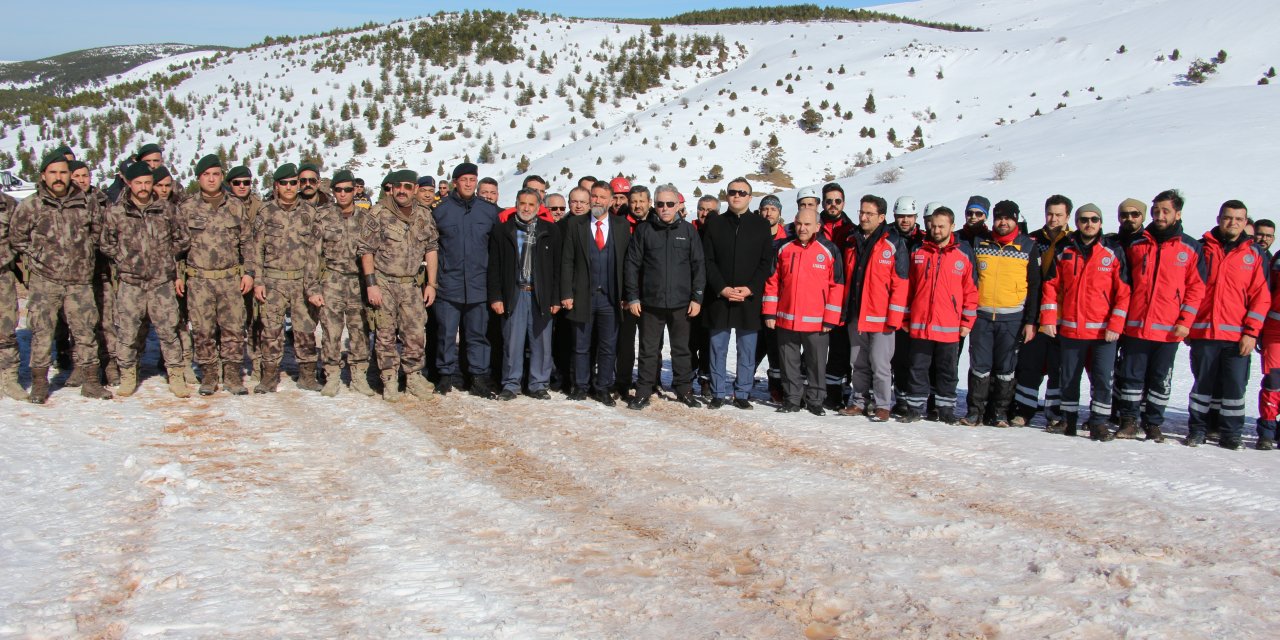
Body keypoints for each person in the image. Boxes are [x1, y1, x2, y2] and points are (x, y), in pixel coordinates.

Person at [9, 151, 113, 402]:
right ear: (43, 176)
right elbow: (17, 238)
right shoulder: (31, 205)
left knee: (86, 331)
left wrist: (87, 253)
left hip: (79, 281)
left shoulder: (85, 203)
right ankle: (40, 384)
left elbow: (100, 233)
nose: (58, 177)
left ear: (69, 176)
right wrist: (39, 256)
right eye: (53, 172)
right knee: (42, 332)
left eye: (63, 172)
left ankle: (91, 382)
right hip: (46, 282)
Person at [1114, 189, 1206, 442]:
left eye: (1165, 211)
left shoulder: (1190, 247)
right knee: (1131, 378)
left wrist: (1185, 321)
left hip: (1168, 328)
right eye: (1156, 211)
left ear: (1178, 213)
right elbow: (1124, 284)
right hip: (1136, 325)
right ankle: (1129, 421)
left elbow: (1196, 288)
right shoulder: (1137, 244)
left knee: (1159, 379)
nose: (1160, 215)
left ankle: (1153, 423)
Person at [100, 153, 191, 398]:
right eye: (138, 182)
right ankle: (128, 375)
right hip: (131, 282)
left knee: (169, 331)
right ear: (129, 183)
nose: (143, 187)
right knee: (128, 331)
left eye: (147, 182)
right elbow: (106, 243)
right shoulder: (116, 212)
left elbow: (182, 239)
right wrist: (123, 258)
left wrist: (164, 256)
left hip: (161, 282)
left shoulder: (167, 209)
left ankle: (176, 375)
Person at [1039, 204, 1130, 440]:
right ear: (1076, 222)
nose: (1089, 224)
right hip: (1071, 330)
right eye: (1084, 219)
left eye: (1094, 219)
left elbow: (1123, 292)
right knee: (1069, 378)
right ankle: (1068, 421)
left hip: (1103, 334)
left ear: (1101, 222)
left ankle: (1099, 423)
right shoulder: (1064, 250)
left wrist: (1116, 325)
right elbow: (1050, 287)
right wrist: (1049, 318)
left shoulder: (1112, 251)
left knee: (1102, 379)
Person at [1184, 200, 1269, 449]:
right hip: (1204, 332)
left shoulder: (1254, 255)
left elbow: (1260, 297)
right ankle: (1197, 429)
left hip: (1237, 336)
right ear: (1220, 218)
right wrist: (1188, 324)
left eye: (1238, 219)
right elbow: (1191, 289)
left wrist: (1251, 333)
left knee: (1234, 388)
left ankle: (1231, 433)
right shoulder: (1202, 249)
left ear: (1245, 222)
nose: (1232, 223)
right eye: (1228, 217)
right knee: (1202, 386)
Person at [175, 154, 256, 395]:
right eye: (206, 175)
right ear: (198, 178)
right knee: (202, 329)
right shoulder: (187, 208)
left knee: (233, 329)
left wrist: (249, 273)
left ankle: (232, 376)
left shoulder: (235, 206)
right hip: (199, 280)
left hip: (230, 278)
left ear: (222, 177)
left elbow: (247, 244)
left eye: (216, 174)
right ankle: (209, 375)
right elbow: (177, 247)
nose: (211, 179)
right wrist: (178, 275)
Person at [358, 169, 439, 401]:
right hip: (384, 282)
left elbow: (432, 249)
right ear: (392, 189)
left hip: (411, 284)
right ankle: (389, 379)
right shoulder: (379, 213)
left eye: (407, 186)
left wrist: (432, 284)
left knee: (415, 334)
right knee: (385, 334)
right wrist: (371, 284)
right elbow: (366, 251)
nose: (402, 190)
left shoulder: (424, 215)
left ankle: (413, 377)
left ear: (415, 189)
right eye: (398, 186)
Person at [625, 184, 705, 410]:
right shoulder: (644, 230)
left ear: (678, 205)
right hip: (650, 304)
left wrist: (697, 298)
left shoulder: (688, 231)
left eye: (670, 204)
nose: (665, 208)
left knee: (682, 350)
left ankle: (684, 390)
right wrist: (633, 297)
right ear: (654, 205)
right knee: (648, 351)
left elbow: (698, 266)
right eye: (660, 204)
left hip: (681, 304)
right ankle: (643, 391)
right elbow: (632, 266)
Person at [961, 200, 1039, 427]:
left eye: (1008, 218)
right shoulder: (980, 243)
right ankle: (975, 411)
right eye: (999, 218)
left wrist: (1031, 321)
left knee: (1006, 368)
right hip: (982, 315)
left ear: (1016, 219)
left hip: (1012, 317)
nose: (1003, 222)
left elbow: (1035, 285)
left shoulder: (1027, 246)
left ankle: (999, 413)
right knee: (980, 366)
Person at [764, 206, 845, 415]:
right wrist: (770, 312)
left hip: (816, 322)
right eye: (799, 223)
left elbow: (837, 286)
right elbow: (772, 282)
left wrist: (830, 319)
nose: (802, 228)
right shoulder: (783, 248)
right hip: (786, 318)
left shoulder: (828, 250)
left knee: (816, 363)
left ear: (817, 226)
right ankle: (792, 398)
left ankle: (816, 399)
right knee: (788, 362)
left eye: (807, 224)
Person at [701, 177, 774, 410]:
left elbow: (766, 262)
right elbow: (707, 260)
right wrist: (721, 288)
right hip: (720, 296)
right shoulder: (715, 223)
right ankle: (718, 392)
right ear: (727, 195)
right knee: (717, 347)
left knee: (747, 349)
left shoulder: (761, 225)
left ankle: (742, 392)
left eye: (742, 193)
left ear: (750, 198)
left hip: (748, 297)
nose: (737, 196)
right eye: (733, 192)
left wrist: (750, 288)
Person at [900, 206, 978, 423]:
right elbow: (908, 288)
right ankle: (914, 409)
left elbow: (971, 291)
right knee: (917, 368)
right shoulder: (918, 252)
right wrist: (905, 317)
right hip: (920, 324)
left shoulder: (962, 254)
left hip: (949, 326)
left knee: (947, 371)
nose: (936, 230)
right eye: (933, 225)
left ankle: (946, 410)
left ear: (952, 227)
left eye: (941, 226)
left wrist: (967, 321)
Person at [253, 163, 322, 393]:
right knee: (271, 331)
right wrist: (258, 281)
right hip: (273, 281)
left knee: (305, 329)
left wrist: (312, 286)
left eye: (295, 183)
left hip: (301, 281)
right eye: (285, 183)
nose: (291, 187)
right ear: (276, 186)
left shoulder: (309, 214)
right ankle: (269, 377)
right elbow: (257, 250)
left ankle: (307, 375)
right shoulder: (266, 212)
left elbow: (314, 253)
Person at [838, 193, 908, 422]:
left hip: (881, 316)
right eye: (861, 212)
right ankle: (858, 401)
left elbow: (900, 282)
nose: (864, 217)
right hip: (856, 313)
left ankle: (882, 404)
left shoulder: (893, 242)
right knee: (857, 362)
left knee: (880, 363)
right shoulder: (852, 240)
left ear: (881, 217)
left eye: (869, 213)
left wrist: (895, 317)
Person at [560, 182, 630, 406]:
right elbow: (567, 261)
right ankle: (580, 386)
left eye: (603, 197)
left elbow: (628, 263)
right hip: (582, 297)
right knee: (581, 345)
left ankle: (602, 388)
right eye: (595, 196)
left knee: (608, 347)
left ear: (611, 201)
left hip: (610, 298)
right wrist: (566, 293)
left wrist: (627, 294)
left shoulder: (621, 226)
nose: (598, 200)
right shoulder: (576, 225)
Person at [488, 188, 561, 401]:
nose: (526, 208)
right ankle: (511, 384)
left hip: (541, 294)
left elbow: (557, 268)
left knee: (542, 342)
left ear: (539, 207)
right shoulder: (502, 231)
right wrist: (496, 296)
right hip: (514, 293)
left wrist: (555, 298)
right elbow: (494, 267)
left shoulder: (550, 230)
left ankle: (538, 384)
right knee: (512, 341)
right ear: (516, 204)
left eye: (531, 204)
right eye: (523, 204)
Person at [433, 163, 499, 397]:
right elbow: (432, 247)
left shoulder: (489, 212)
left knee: (477, 335)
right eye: (464, 180)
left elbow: (497, 249)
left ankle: (478, 377)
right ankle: (445, 375)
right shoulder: (440, 210)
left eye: (472, 179)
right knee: (446, 334)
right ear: (455, 183)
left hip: (479, 285)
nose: (469, 184)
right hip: (448, 284)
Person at [310, 170, 375, 397]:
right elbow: (313, 255)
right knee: (331, 332)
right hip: (332, 281)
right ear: (333, 191)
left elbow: (373, 254)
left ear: (355, 190)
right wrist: (313, 288)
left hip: (358, 281)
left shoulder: (366, 218)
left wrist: (373, 284)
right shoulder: (322, 216)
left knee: (360, 331)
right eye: (339, 189)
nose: (344, 194)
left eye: (348, 189)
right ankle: (332, 376)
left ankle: (359, 377)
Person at [1012, 194, 1073, 427]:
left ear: (1067, 216)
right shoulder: (1033, 239)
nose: (1053, 219)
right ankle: (1024, 410)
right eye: (1050, 214)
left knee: (1059, 367)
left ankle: (1054, 412)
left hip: (1062, 316)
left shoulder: (1074, 242)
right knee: (1029, 364)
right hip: (1035, 313)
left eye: (1059, 215)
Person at [755, 194, 788, 402]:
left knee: (776, 348)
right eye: (765, 209)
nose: (768, 213)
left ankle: (777, 386)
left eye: (773, 210)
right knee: (754, 344)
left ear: (779, 213)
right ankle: (745, 379)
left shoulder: (787, 239)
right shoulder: (754, 235)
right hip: (756, 298)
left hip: (778, 301)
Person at [0, 191, 27, 400]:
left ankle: (9, 379)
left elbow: (20, 240)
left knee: (6, 329)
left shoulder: (8, 205)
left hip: (2, 275)